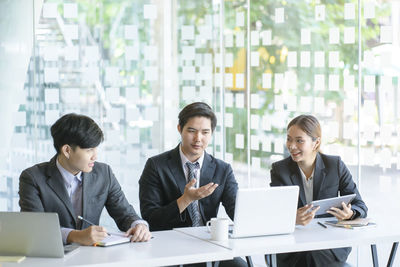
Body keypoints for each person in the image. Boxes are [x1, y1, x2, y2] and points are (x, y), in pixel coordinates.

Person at [139, 102, 247, 267]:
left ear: (212, 133)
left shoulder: (222, 169)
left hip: (208, 245)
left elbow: (238, 212)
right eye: (191, 131)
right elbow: (151, 218)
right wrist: (185, 200)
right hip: (168, 247)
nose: (198, 139)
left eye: (205, 132)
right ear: (179, 128)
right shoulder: (156, 166)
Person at [19, 113, 151, 246]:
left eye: (96, 149)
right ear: (67, 150)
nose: (95, 156)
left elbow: (125, 213)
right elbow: (34, 229)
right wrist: (74, 236)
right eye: (89, 150)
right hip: (52, 257)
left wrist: (139, 225)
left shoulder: (104, 173)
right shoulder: (32, 178)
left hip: (93, 256)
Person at [270, 114, 368, 267]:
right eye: (289, 139)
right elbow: (273, 213)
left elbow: (360, 205)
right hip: (294, 250)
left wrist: (350, 214)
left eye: (299, 140)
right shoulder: (280, 170)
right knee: (311, 255)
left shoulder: (335, 165)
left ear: (316, 143)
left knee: (316, 254)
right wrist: (292, 218)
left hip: (328, 247)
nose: (291, 145)